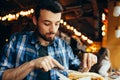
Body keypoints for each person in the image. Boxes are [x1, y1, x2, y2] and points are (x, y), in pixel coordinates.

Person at [0, 0, 97, 80]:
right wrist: (32, 64)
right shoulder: (17, 41)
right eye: (47, 23)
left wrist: (86, 62)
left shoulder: (64, 46)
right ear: (35, 20)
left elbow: (77, 71)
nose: (53, 30)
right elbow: (2, 75)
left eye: (57, 24)